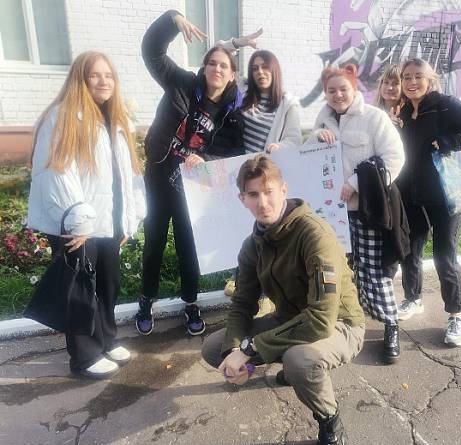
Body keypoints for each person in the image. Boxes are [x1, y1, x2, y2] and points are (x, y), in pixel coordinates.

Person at [202, 155, 365, 445]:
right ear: (242, 199)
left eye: (269, 192)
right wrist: (235, 352)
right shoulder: (252, 245)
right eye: (253, 194)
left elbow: (321, 320)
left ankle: (329, 420)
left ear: (284, 190)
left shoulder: (314, 235)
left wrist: (251, 349)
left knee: (299, 360)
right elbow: (242, 303)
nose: (263, 202)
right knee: (215, 348)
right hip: (290, 319)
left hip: (340, 324)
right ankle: (289, 366)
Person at [135, 10, 261, 336]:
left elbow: (233, 153)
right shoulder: (181, 83)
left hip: (192, 186)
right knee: (154, 242)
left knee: (188, 246)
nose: (217, 69)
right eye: (211, 64)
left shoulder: (232, 113)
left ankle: (191, 302)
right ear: (204, 68)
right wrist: (172, 20)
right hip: (159, 175)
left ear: (232, 75)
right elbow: (152, 51)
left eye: (224, 66)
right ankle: (146, 300)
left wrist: (203, 157)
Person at [28, 51, 145, 379]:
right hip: (77, 223)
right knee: (80, 288)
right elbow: (56, 171)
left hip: (108, 220)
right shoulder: (63, 116)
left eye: (109, 75)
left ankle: (106, 339)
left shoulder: (117, 120)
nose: (104, 81)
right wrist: (77, 218)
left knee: (108, 283)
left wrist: (129, 218)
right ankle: (84, 355)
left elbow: (128, 174)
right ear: (80, 79)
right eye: (95, 75)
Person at [306, 64, 405, 364]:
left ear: (354, 88)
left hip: (366, 210)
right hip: (332, 213)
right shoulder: (323, 118)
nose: (338, 95)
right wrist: (316, 137)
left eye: (343, 89)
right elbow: (309, 157)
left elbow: (395, 157)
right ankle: (347, 322)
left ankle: (390, 324)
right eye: (331, 90)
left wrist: (356, 183)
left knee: (374, 269)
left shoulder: (374, 118)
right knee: (339, 269)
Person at [394, 58, 461, 346]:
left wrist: (450, 141)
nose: (412, 82)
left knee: (444, 256)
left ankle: (456, 315)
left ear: (430, 80)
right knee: (411, 251)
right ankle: (413, 299)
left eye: (418, 76)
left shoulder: (445, 105)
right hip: (413, 195)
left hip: (447, 195)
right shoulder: (405, 111)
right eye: (406, 77)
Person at [241, 50, 302, 153]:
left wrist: (279, 147)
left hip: (260, 162)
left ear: (274, 70)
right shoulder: (242, 91)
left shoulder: (288, 104)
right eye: (255, 69)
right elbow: (218, 62)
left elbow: (294, 140)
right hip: (233, 161)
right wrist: (235, 44)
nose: (260, 71)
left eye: (265, 67)